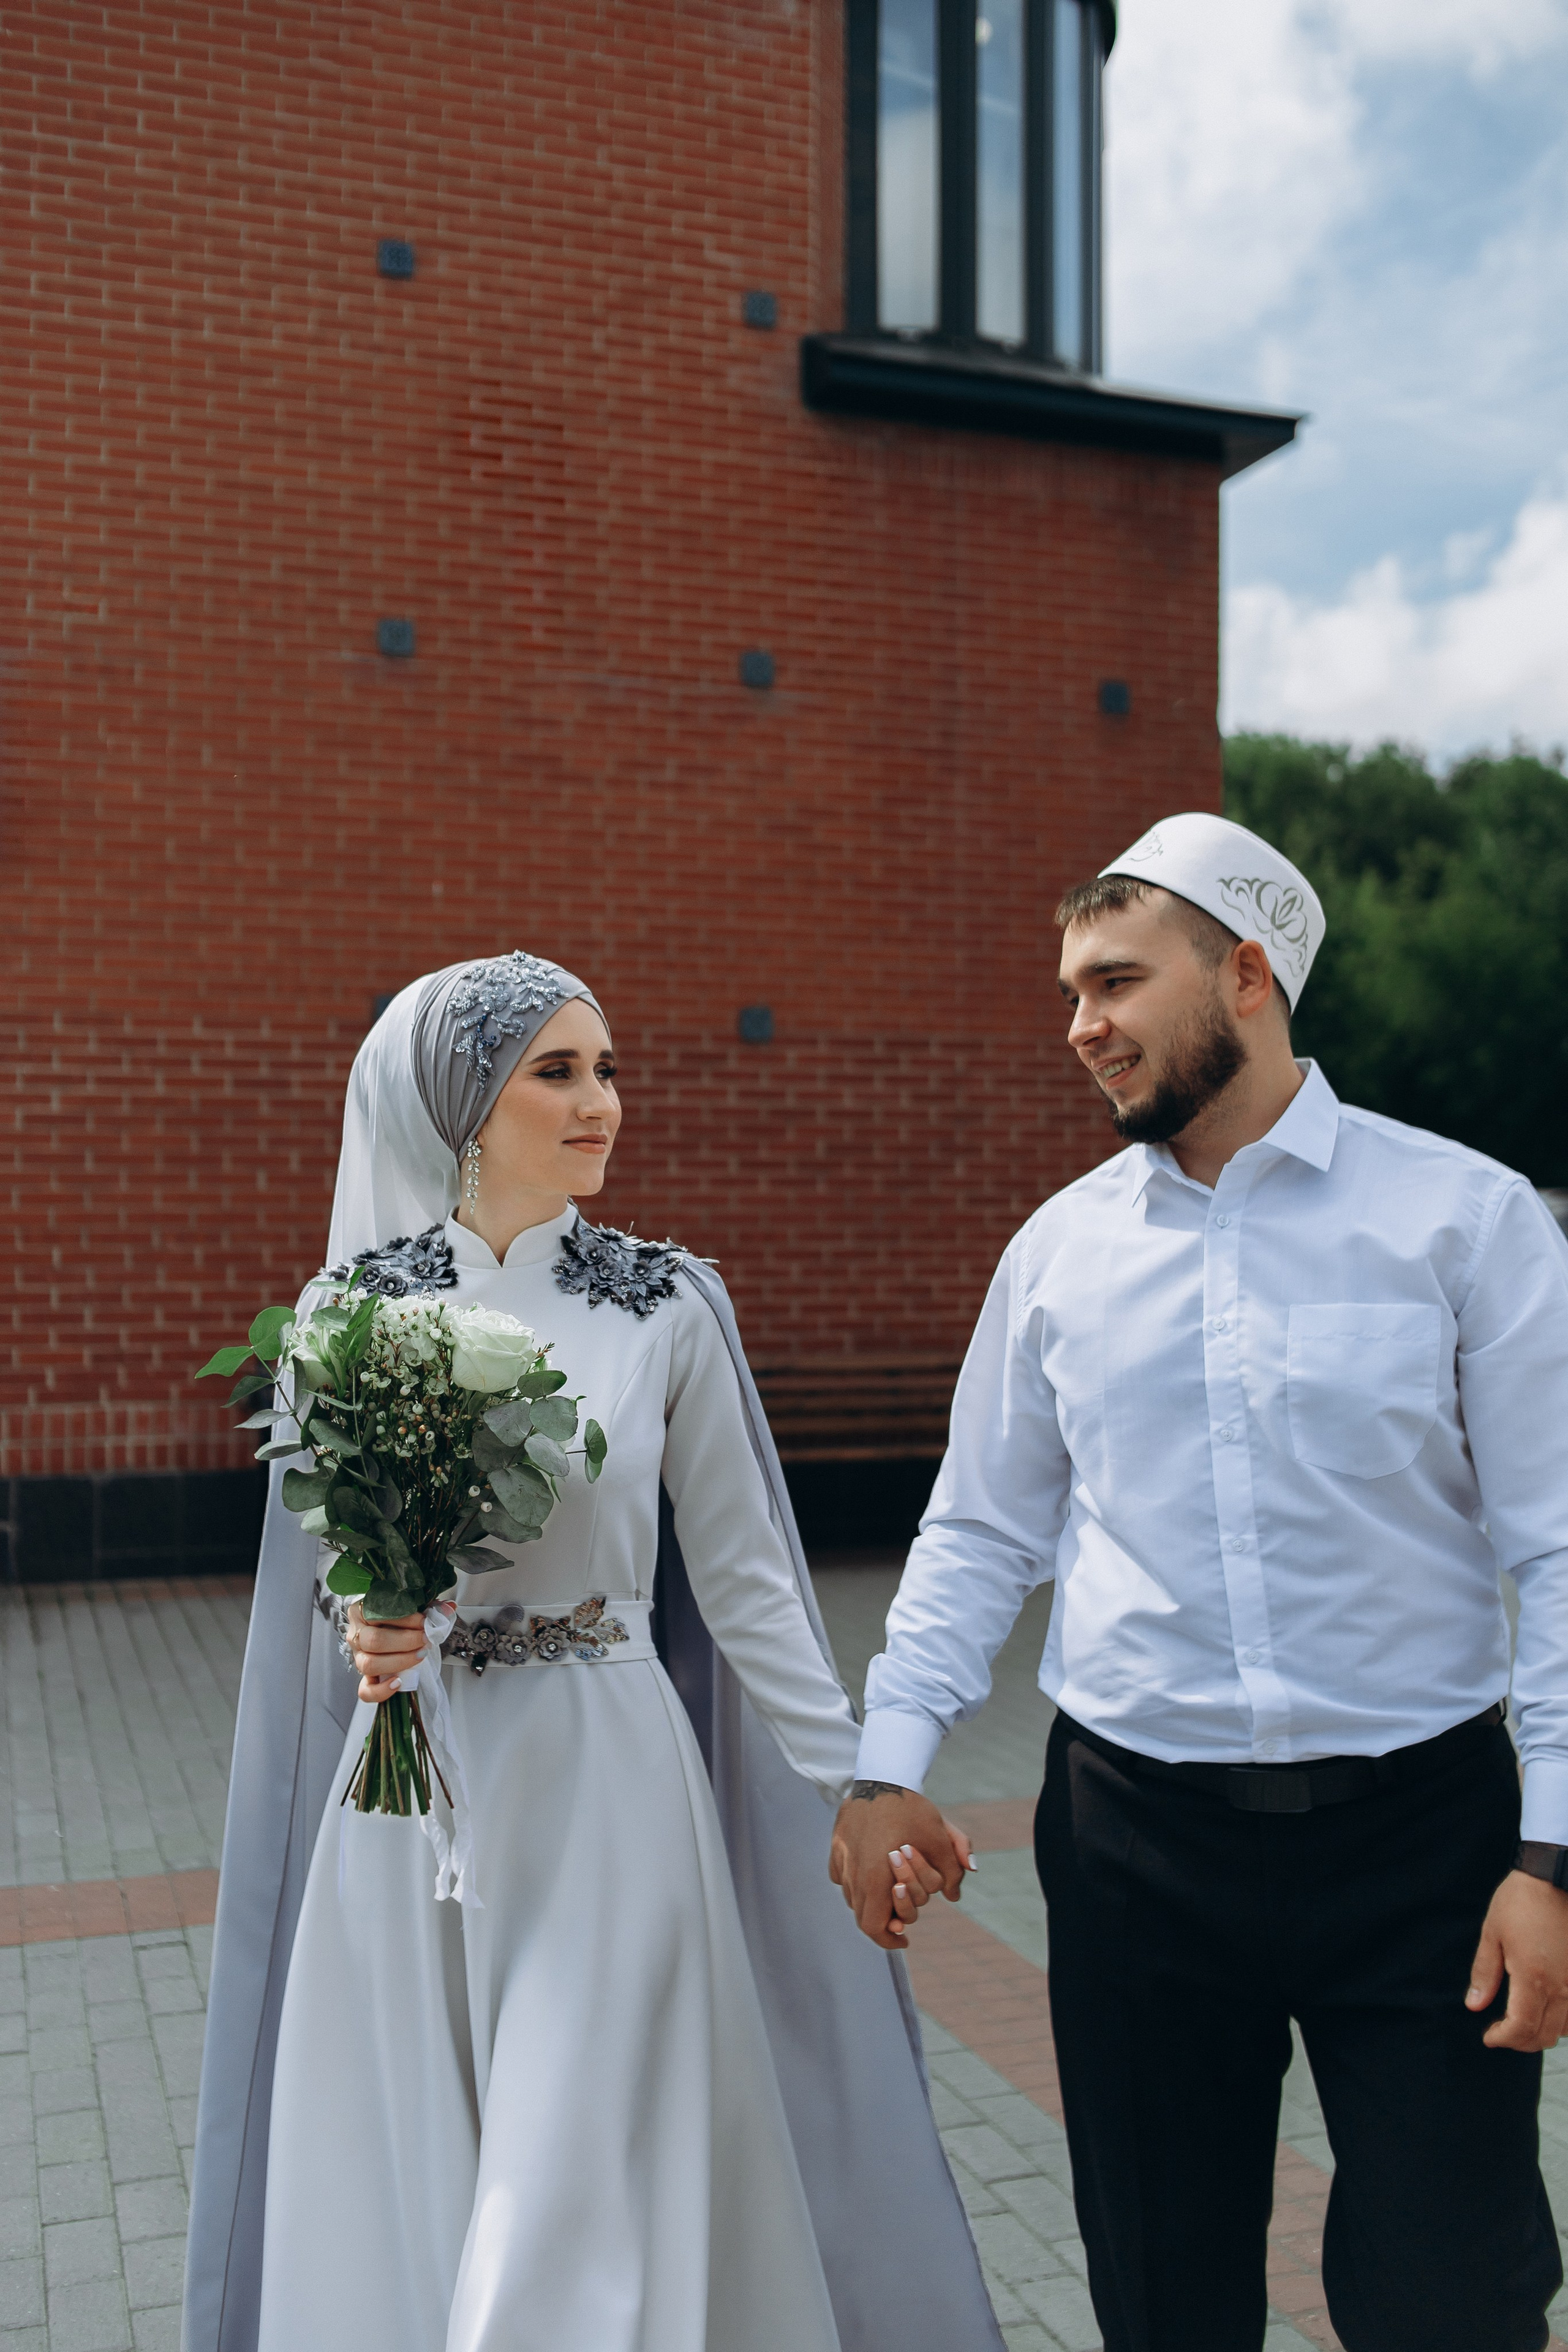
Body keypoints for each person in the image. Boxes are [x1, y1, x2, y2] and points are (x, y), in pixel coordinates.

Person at [183, 951, 1003, 2352]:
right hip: (410, 1800)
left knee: (569, 2189)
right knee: (413, 2179)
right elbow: (339, 1573)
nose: (601, 1103)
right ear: (460, 1107)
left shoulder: (668, 1304)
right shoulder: (347, 1314)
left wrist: (856, 1781)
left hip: (612, 1789)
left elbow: (747, 1589)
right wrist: (379, 1615)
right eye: (556, 1072)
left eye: (606, 1069)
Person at [829, 813, 1568, 2352]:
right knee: (1162, 2300)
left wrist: (1552, 1857)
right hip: (1132, 1847)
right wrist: (885, 1765)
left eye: (1112, 982)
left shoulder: (1466, 1221)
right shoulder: (1055, 1253)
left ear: (1244, 975)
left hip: (1426, 1850)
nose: (1079, 1028)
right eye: (1067, 994)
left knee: (1457, 2300)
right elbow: (978, 1530)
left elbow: (1555, 1548)